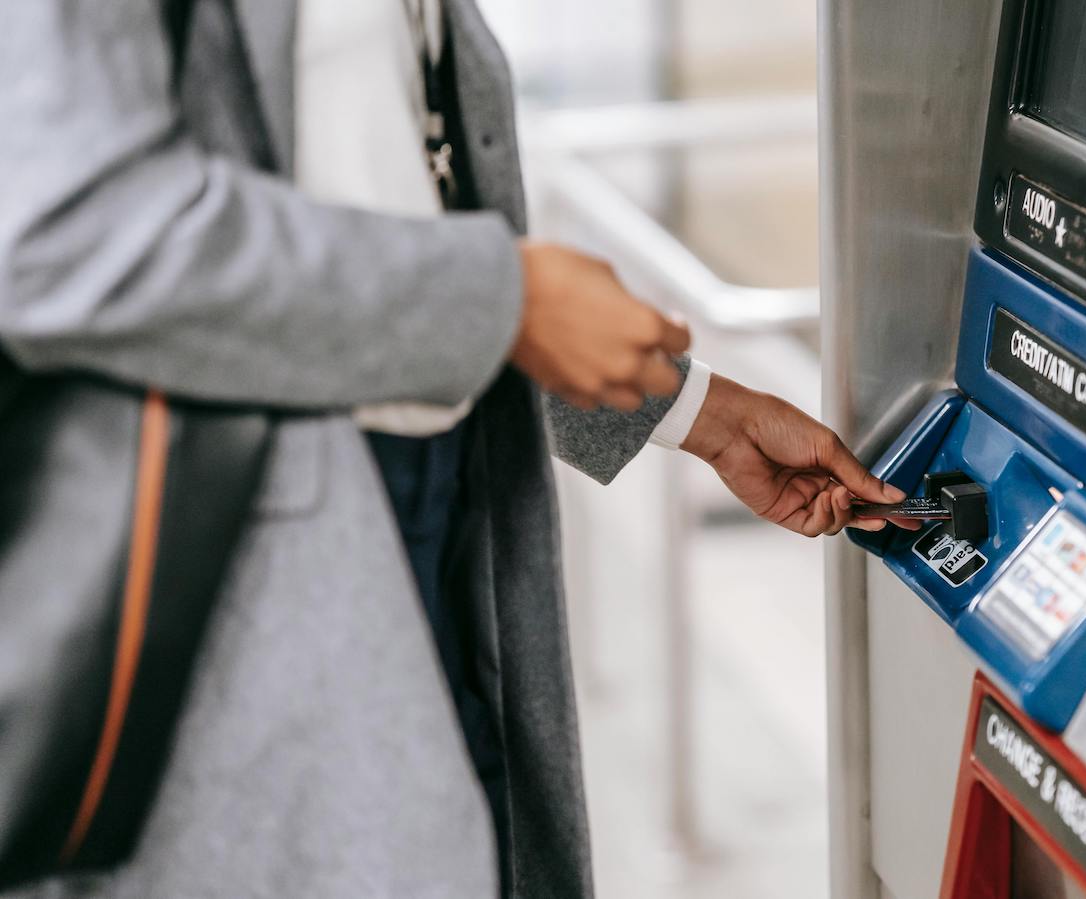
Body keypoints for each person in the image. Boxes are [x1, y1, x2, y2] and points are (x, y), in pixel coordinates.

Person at [0, 1, 902, 896]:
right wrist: (506, 297)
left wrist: (696, 412)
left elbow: (375, 201)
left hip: (428, 519)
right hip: (245, 586)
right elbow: (65, 234)